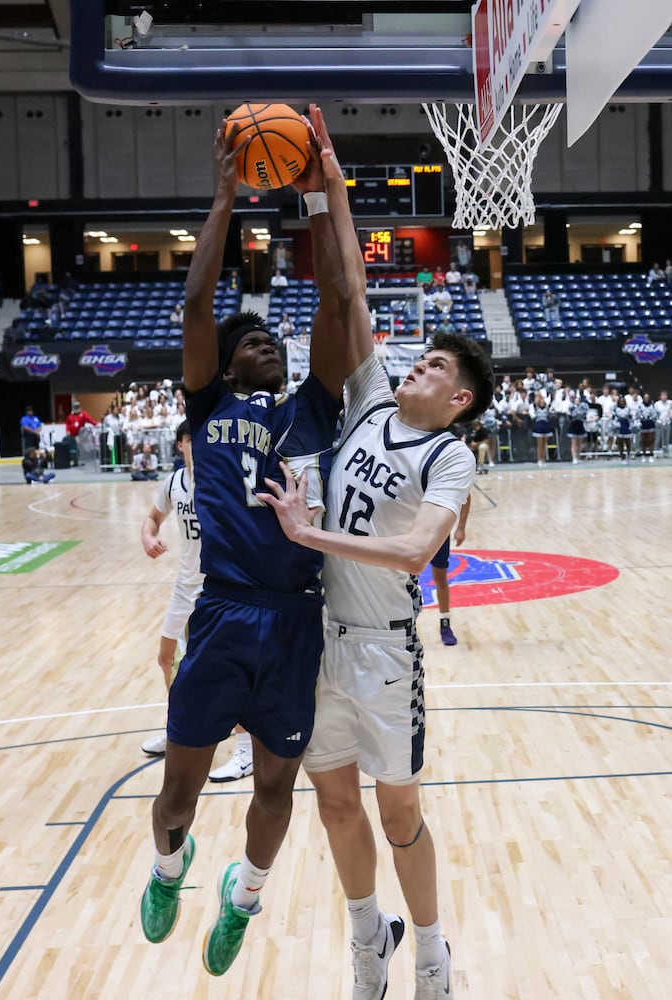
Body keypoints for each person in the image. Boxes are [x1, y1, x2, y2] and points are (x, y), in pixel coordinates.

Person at [259, 106, 494, 1000]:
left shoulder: (451, 454)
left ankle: (432, 953)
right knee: (334, 803)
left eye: (436, 366)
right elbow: (349, 289)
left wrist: (309, 534)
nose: (419, 366)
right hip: (322, 638)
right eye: (420, 357)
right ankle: (371, 946)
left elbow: (413, 551)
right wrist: (328, 180)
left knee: (399, 815)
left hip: (387, 649)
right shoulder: (365, 401)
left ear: (460, 398)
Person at [139, 110, 347, 978]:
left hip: (297, 621)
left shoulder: (312, 407)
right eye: (250, 340)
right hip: (222, 613)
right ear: (225, 367)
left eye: (272, 337)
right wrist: (224, 196)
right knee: (176, 796)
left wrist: (314, 198)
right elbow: (196, 303)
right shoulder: (208, 408)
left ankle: (244, 898)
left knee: (273, 789)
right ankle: (169, 866)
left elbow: (339, 299)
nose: (266, 341)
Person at [140, 420, 206, 756]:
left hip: (219, 586)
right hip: (185, 586)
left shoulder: (221, 480)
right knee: (166, 658)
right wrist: (148, 536)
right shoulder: (173, 483)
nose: (197, 443)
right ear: (180, 445)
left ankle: (243, 745)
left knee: (224, 665)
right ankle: (176, 731)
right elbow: (152, 518)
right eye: (190, 438)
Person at [430, 496, 471, 647]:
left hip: (440, 531)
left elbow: (466, 496)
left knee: (440, 578)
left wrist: (461, 527)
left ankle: (445, 625)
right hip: (413, 529)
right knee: (405, 579)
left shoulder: (446, 473)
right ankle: (403, 625)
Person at [65, 400, 98, 465]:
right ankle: (75, 461)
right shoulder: (70, 416)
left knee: (80, 447)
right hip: (72, 435)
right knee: (73, 448)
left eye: (77, 406)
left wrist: (96, 424)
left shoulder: (83, 414)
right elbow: (67, 424)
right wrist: (67, 431)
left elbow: (90, 420)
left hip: (79, 435)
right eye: (75, 406)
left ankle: (81, 460)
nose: (76, 408)